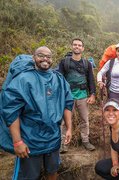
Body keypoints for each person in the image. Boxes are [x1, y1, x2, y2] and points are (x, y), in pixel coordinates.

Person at [1, 46, 74, 180]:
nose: (45, 59)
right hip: (30, 140)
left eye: (48, 56)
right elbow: (11, 111)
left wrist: (69, 128)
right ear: (34, 57)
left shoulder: (59, 79)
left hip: (53, 138)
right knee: (29, 176)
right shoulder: (23, 79)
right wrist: (17, 142)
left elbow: (67, 103)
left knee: (52, 170)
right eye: (41, 55)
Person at [58, 38, 96, 151]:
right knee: (65, 121)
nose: (77, 47)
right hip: (67, 97)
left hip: (83, 96)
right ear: (71, 46)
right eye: (75, 45)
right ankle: (64, 143)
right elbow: (59, 79)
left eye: (79, 45)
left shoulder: (87, 63)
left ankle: (85, 141)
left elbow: (91, 79)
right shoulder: (64, 62)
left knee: (84, 120)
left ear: (82, 48)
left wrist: (92, 94)